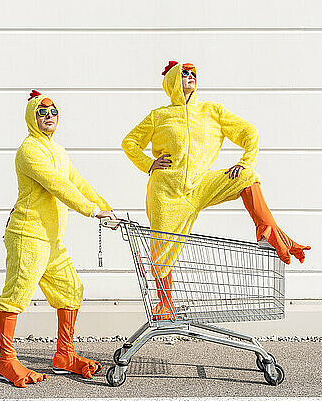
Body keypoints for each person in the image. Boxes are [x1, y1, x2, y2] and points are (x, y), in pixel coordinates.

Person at [121, 61, 310, 319]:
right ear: (173, 81)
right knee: (162, 248)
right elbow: (129, 142)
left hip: (201, 185)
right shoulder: (158, 116)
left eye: (193, 73)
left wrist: (245, 161)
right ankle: (165, 303)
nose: (190, 77)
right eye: (184, 73)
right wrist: (149, 164)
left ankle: (268, 231)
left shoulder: (212, 110)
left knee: (247, 176)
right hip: (166, 191)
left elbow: (249, 132)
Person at [0, 90, 116, 387]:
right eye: (42, 113)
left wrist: (105, 207)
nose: (48, 117)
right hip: (28, 235)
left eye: (53, 113)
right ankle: (6, 361)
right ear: (31, 118)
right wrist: (92, 212)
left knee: (71, 289)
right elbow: (58, 185)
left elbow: (77, 181)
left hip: (52, 239)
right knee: (17, 294)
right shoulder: (29, 151)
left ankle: (64, 355)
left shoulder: (58, 151)